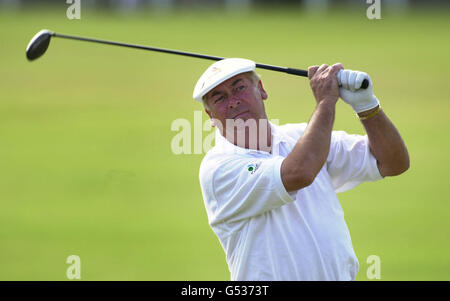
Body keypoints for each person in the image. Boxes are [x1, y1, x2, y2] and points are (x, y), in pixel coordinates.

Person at [193, 58, 409, 281]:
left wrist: (367, 107)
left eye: (239, 88)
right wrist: (326, 101)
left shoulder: (303, 138)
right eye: (219, 98)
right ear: (210, 117)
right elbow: (299, 172)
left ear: (261, 90)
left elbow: (393, 162)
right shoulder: (218, 168)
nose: (233, 101)